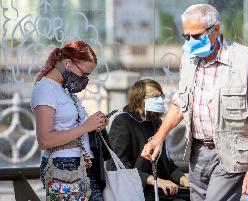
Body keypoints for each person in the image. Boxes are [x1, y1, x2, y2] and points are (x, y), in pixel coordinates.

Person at [141, 4, 248, 201]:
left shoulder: (245, 60)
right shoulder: (189, 59)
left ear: (215, 29)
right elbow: (180, 102)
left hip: (230, 154)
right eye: (186, 36)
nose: (190, 42)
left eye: (196, 36)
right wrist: (158, 138)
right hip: (198, 154)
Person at [30, 40, 108, 201]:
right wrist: (86, 126)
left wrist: (95, 126)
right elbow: (45, 140)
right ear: (67, 63)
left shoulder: (63, 89)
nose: (85, 79)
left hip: (80, 163)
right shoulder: (46, 89)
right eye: (83, 74)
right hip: (63, 166)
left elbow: (72, 127)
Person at [106, 79, 190, 201]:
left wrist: (184, 180)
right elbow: (119, 166)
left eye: (161, 96)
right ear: (139, 99)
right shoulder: (124, 122)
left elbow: (165, 162)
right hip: (136, 190)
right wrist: (155, 181)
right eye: (155, 97)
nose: (160, 100)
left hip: (157, 188)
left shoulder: (156, 122)